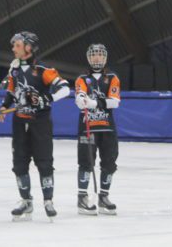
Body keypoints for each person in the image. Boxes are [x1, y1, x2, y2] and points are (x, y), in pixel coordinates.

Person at [0, 31, 70, 221]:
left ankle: (48, 200)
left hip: (40, 123)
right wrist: (4, 106)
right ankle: (25, 200)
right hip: (20, 122)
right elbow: (12, 92)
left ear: (29, 47)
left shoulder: (43, 69)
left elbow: (65, 88)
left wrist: (47, 98)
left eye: (17, 45)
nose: (13, 49)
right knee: (20, 162)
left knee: (44, 161)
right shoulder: (14, 70)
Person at [74, 43, 120, 216]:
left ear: (105, 57)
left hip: (107, 128)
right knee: (86, 162)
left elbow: (114, 101)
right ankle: (82, 197)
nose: (97, 58)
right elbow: (79, 96)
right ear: (88, 57)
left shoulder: (113, 78)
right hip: (88, 128)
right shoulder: (82, 78)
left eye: (100, 54)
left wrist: (95, 103)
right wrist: (80, 99)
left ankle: (104, 196)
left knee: (109, 163)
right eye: (94, 55)